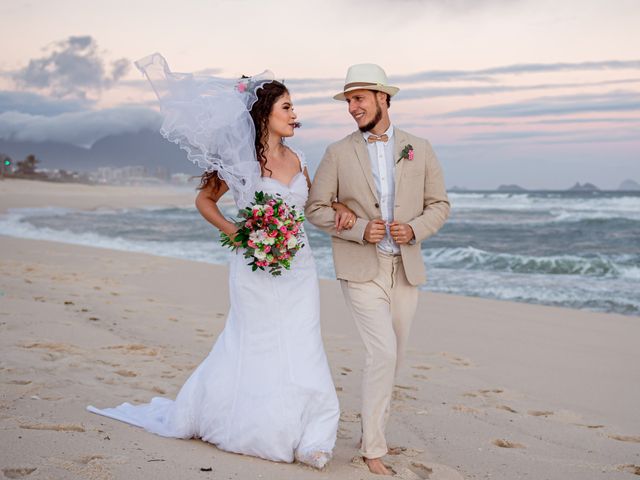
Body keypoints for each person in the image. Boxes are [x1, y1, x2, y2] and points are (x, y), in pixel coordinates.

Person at [88, 54, 340, 469]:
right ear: (265, 113)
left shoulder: (299, 161)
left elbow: (313, 208)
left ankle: (313, 435)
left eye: (294, 107)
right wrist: (237, 233)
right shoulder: (239, 161)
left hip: (299, 266)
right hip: (253, 265)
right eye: (287, 107)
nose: (296, 115)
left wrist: (342, 209)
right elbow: (204, 200)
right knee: (254, 342)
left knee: (304, 343)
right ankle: (252, 426)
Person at [305, 63, 450, 475]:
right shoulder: (337, 152)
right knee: (381, 352)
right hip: (360, 268)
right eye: (348, 101)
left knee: (394, 356)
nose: (352, 108)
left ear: (384, 99)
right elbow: (315, 208)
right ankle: (373, 449)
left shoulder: (419, 147)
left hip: (406, 269)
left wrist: (416, 228)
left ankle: (372, 430)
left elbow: (439, 203)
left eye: (359, 99)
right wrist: (357, 230)